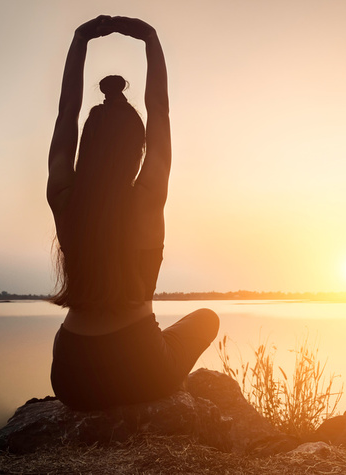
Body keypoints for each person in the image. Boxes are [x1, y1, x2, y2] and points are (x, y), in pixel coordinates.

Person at [47, 16, 219, 411]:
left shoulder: (63, 195)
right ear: (137, 149)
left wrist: (79, 40)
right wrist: (150, 39)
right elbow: (159, 109)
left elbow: (65, 114)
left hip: (70, 376)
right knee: (207, 318)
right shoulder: (147, 198)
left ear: (86, 144)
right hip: (140, 370)